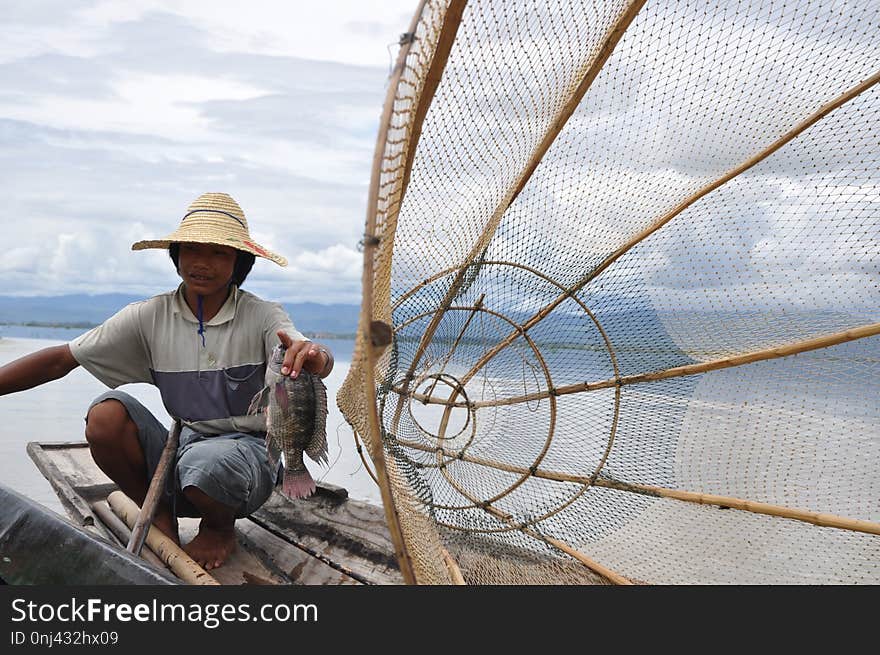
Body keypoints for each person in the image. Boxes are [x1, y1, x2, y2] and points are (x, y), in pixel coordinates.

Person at [0, 192, 334, 570]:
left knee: (210, 464)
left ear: (240, 262)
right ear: (175, 256)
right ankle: (159, 512)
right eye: (191, 250)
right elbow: (61, 359)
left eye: (219, 253)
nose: (202, 263)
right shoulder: (149, 316)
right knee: (106, 414)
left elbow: (310, 356)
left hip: (247, 461)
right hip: (184, 449)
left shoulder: (262, 315)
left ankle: (219, 527)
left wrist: (314, 356)